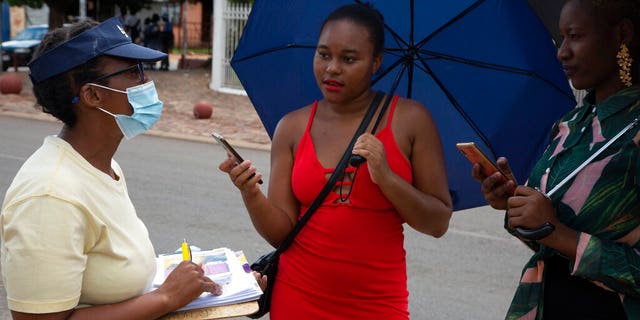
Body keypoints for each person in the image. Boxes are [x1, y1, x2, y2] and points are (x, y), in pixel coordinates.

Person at [219, 3, 452, 319]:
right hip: (297, 298)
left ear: (376, 62)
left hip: (378, 304)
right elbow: (282, 233)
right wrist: (251, 194)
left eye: (349, 59)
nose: (331, 68)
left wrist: (386, 177)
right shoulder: (292, 127)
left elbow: (437, 222)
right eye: (324, 54)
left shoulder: (411, 120)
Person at [0, 18, 222, 319]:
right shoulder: (49, 196)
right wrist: (166, 297)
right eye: (133, 72)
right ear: (93, 95)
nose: (146, 83)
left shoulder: (104, 166)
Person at [471, 0, 640, 318]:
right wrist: (516, 205)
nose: (562, 51)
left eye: (575, 36)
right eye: (560, 38)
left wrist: (557, 233)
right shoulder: (570, 126)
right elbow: (550, 246)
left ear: (622, 34)